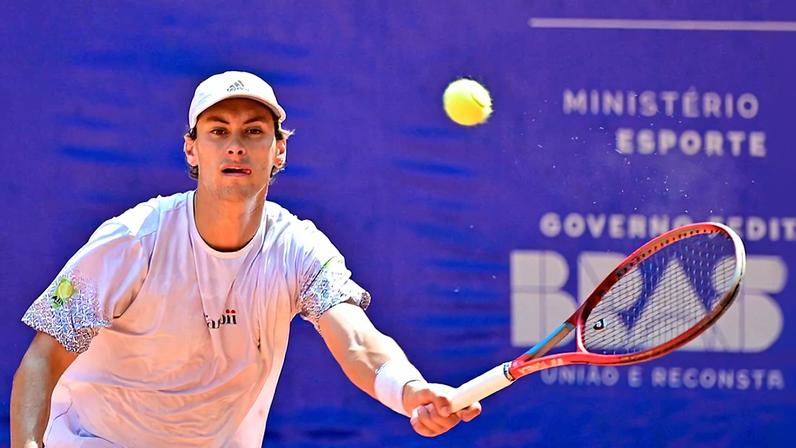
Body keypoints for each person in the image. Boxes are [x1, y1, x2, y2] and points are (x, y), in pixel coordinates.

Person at [10, 71, 481, 447]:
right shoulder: (132, 241)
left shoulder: (299, 249)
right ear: (192, 148)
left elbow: (358, 342)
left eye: (253, 132)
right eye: (219, 131)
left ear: (278, 150)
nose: (235, 145)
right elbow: (43, 357)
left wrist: (408, 390)